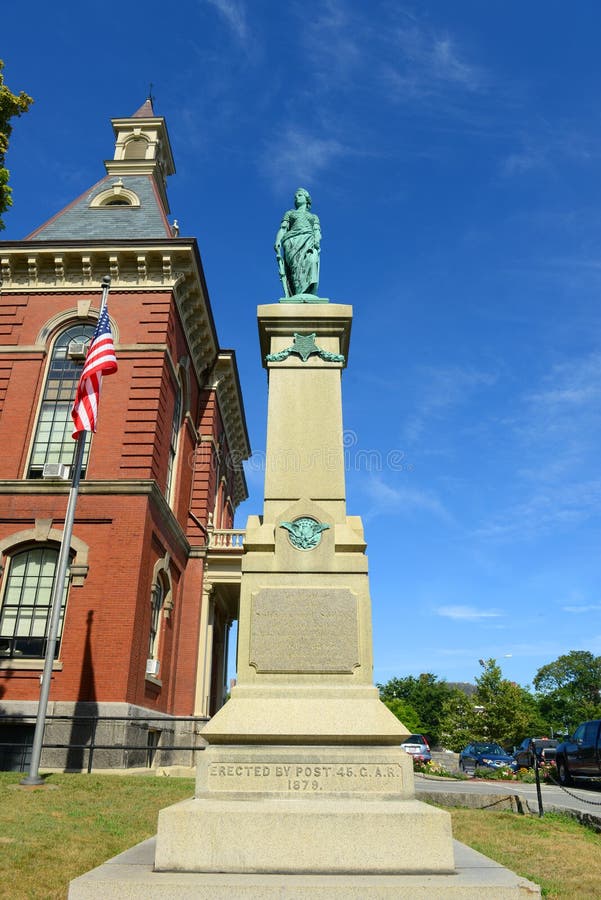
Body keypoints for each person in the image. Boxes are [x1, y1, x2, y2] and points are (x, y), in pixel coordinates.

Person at [274, 188, 321, 296]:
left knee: (312, 261)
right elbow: (283, 229)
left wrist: (317, 240)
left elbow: (317, 231)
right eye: (295, 197)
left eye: (300, 195)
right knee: (295, 268)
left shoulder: (314, 217)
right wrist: (277, 240)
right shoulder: (290, 213)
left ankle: (307, 292)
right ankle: (297, 294)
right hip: (292, 242)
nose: (296, 198)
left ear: (307, 198)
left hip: (309, 240)